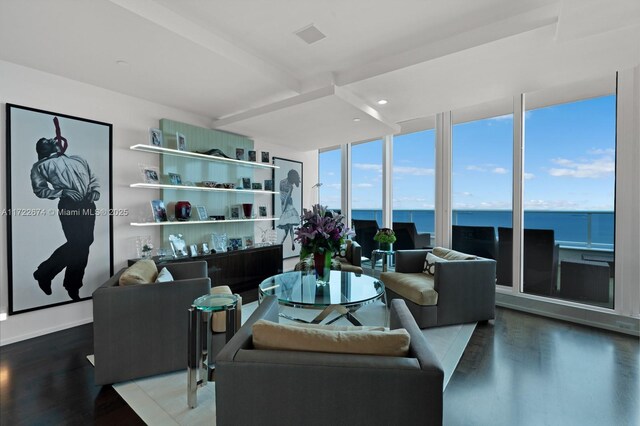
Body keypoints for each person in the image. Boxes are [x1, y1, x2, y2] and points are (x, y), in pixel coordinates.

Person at [30, 117, 99, 301]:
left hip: (88, 204)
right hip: (70, 205)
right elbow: (40, 190)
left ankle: (46, 273)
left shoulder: (78, 159)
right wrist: (62, 192)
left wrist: (95, 191)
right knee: (79, 244)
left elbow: (93, 178)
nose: (51, 140)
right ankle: (70, 284)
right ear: (42, 150)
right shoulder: (41, 166)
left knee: (85, 242)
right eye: (45, 141)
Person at [277, 169, 300, 251]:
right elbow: (285, 197)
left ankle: (281, 243)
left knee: (289, 227)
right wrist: (283, 208)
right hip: (288, 205)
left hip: (287, 204)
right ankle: (289, 243)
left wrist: (282, 208)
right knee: (290, 227)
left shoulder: (282, 182)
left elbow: (283, 197)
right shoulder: (289, 185)